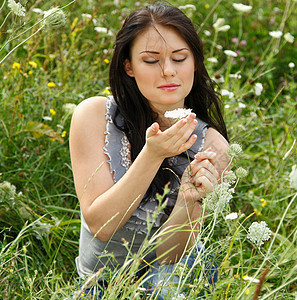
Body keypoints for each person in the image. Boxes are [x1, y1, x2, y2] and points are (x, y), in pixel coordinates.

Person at [69, 3, 229, 298]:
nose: (168, 71)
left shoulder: (214, 146)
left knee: (167, 287)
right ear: (128, 66)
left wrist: (188, 201)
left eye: (179, 58)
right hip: (100, 284)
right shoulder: (93, 116)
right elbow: (101, 225)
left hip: (174, 275)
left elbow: (172, 257)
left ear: (194, 62)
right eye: (151, 61)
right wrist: (152, 155)